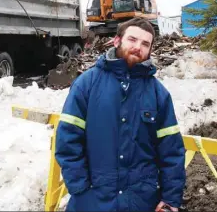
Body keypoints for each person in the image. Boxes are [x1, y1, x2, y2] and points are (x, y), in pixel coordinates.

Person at [55, 17, 186, 212]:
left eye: (145, 44)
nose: (137, 47)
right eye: (132, 40)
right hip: (95, 198)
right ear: (117, 41)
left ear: (150, 50)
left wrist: (170, 198)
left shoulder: (158, 94)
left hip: (141, 200)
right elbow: (68, 141)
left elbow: (171, 151)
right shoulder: (87, 84)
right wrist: (80, 189)